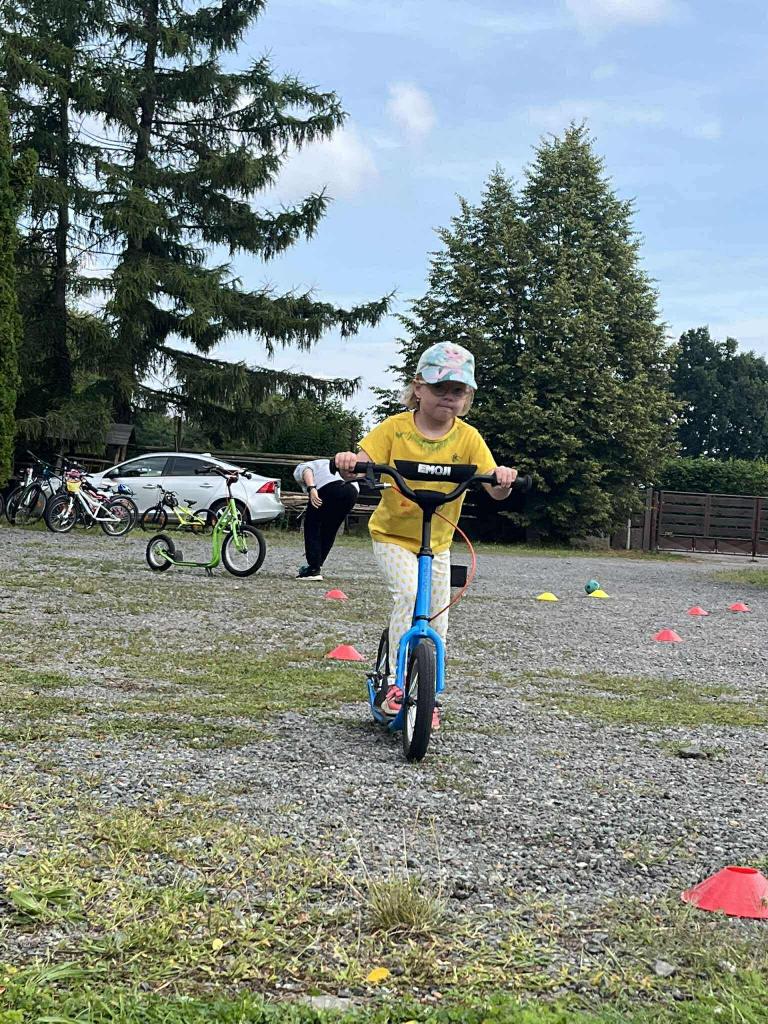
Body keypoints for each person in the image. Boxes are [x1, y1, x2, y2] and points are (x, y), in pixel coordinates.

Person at [334, 341, 517, 724]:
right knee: (409, 596)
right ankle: (395, 684)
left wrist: (502, 479)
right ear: (418, 388)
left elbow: (494, 490)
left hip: (437, 541)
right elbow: (362, 464)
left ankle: (429, 695)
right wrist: (351, 464)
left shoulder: (468, 438)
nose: (448, 397)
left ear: (466, 397)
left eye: (457, 390)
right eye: (439, 388)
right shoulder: (395, 429)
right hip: (394, 536)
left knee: (437, 619)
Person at [293, 458, 359, 581]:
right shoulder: (330, 463)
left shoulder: (304, 466)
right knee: (330, 528)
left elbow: (306, 471)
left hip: (329, 487)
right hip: (352, 491)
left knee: (313, 525)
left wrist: (311, 488)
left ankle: (313, 568)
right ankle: (317, 564)